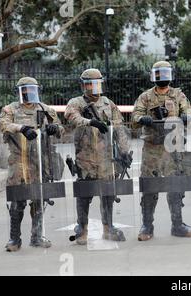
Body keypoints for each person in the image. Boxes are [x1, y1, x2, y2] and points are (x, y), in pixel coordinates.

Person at [64, 68, 131, 245]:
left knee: (108, 194)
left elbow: (119, 127)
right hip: (85, 158)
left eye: (96, 84)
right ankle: (82, 228)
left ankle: (108, 228)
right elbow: (72, 117)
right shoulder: (76, 102)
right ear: (83, 85)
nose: (94, 88)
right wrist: (91, 122)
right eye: (90, 84)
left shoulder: (108, 103)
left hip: (106, 158)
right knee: (84, 195)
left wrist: (124, 151)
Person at [131, 61, 191, 241]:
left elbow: (189, 114)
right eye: (159, 75)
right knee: (150, 188)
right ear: (153, 76)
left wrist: (185, 116)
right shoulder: (146, 97)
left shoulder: (178, 95)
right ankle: (147, 226)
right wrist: (143, 118)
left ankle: (177, 225)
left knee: (175, 187)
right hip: (152, 148)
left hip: (173, 147)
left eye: (165, 74)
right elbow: (134, 117)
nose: (162, 78)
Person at [0, 77, 64, 251]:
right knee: (17, 200)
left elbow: (60, 127)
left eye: (31, 90)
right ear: (19, 92)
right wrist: (22, 128)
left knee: (39, 198)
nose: (28, 94)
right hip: (19, 160)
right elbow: (3, 124)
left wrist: (54, 128)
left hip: (40, 160)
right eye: (25, 90)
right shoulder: (10, 109)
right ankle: (14, 239)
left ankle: (37, 237)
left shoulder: (45, 109)